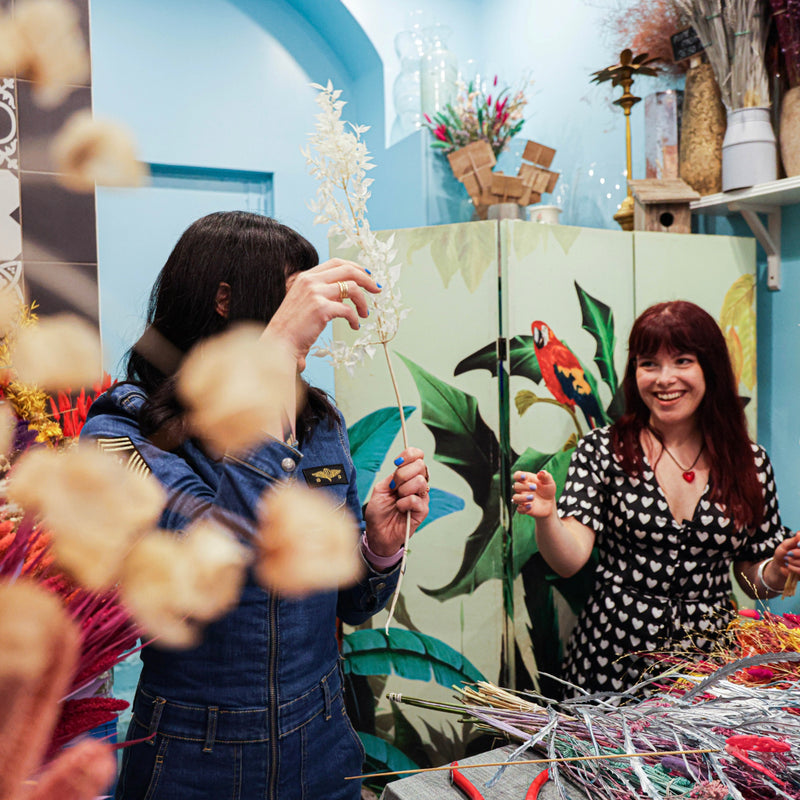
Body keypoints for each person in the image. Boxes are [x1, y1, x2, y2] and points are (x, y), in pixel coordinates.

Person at [81, 211, 429, 800]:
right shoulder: (123, 432)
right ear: (225, 300)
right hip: (192, 757)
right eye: (296, 296)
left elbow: (353, 601)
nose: (315, 320)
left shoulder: (318, 422)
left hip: (323, 742)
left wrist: (377, 545)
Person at [512, 300, 799, 696]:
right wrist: (547, 517)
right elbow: (569, 559)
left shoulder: (749, 462)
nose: (665, 379)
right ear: (635, 372)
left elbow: (754, 580)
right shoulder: (602, 449)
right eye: (649, 364)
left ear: (710, 368)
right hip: (609, 658)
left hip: (707, 668)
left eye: (682, 361)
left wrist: (778, 570)